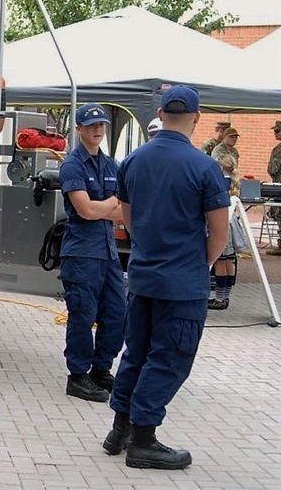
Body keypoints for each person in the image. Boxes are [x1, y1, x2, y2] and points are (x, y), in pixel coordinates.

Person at [102, 85, 230, 470]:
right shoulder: (205, 167)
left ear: (159, 113)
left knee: (136, 353)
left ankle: (119, 429)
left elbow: (127, 216)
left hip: (142, 276)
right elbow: (220, 234)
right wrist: (199, 265)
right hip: (181, 283)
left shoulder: (133, 161)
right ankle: (144, 439)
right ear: (197, 117)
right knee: (169, 357)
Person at [58, 103, 125, 402]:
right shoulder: (72, 165)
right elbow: (85, 211)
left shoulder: (112, 165)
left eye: (101, 125)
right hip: (82, 253)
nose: (98, 130)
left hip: (109, 253)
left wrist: (107, 206)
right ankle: (78, 376)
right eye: (91, 125)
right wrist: (109, 205)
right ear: (79, 129)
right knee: (83, 315)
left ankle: (101, 370)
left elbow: (124, 212)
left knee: (117, 313)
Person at [209, 153, 241, 310]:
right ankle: (225, 296)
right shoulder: (234, 182)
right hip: (232, 222)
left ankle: (219, 298)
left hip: (222, 221)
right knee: (229, 261)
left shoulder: (219, 181)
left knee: (219, 261)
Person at [267, 120, 281, 256]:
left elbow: (273, 169)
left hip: (279, 187)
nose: (274, 133)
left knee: (279, 214)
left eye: (277, 131)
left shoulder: (278, 150)